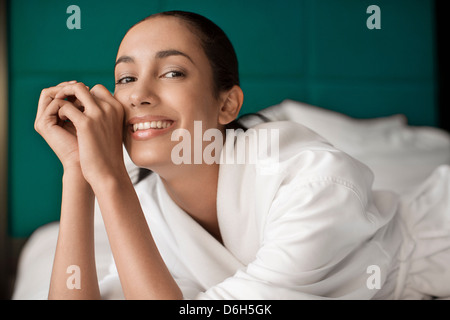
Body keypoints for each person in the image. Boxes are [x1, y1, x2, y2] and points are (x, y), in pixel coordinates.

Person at [34, 11, 450, 300]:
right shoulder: (147, 205)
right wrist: (77, 171)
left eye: (172, 72)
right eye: (125, 78)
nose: (139, 94)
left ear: (228, 105)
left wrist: (110, 180)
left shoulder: (312, 182)